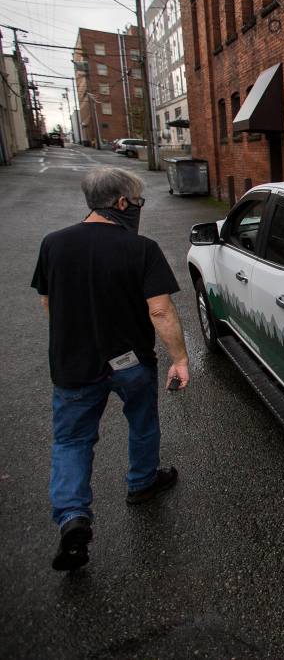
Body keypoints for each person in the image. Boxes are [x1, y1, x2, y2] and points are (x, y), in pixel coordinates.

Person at [31, 166, 190, 572]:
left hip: (73, 366)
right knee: (142, 420)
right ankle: (141, 482)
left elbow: (49, 305)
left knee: (71, 441)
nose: (137, 209)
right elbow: (160, 310)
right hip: (129, 361)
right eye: (137, 203)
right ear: (122, 203)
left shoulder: (53, 244)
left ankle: (73, 517)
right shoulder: (141, 249)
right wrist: (180, 359)